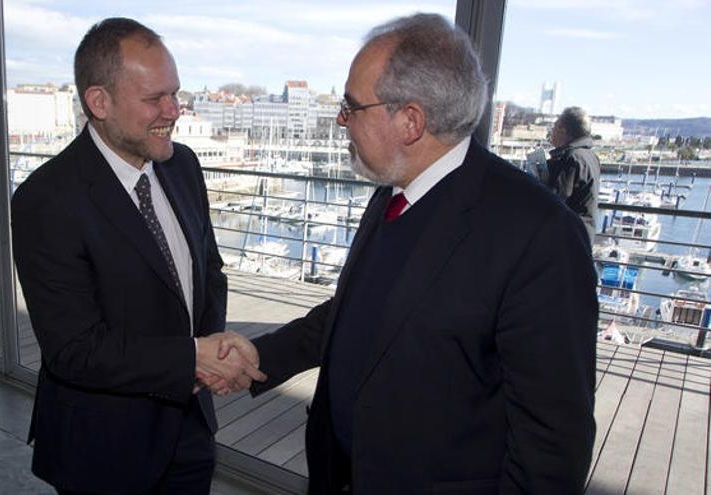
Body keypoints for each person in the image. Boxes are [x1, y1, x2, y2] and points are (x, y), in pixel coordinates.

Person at [220, 13, 597, 494]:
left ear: (411, 121)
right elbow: (359, 310)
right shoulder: (392, 191)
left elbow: (553, 448)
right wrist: (261, 353)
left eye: (351, 106)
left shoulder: (539, 234)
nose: (340, 119)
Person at [12, 18, 264, 494]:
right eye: (155, 99)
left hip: (190, 431)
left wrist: (210, 354)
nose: (174, 111)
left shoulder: (183, 164)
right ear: (99, 102)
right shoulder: (46, 199)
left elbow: (209, 273)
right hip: (104, 449)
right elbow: (75, 350)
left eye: (176, 93)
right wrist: (191, 358)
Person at [546, 106, 601, 242]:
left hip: (566, 235)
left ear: (563, 131)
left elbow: (555, 197)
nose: (551, 132)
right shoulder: (590, 156)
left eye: (554, 128)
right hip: (583, 233)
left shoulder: (570, 158)